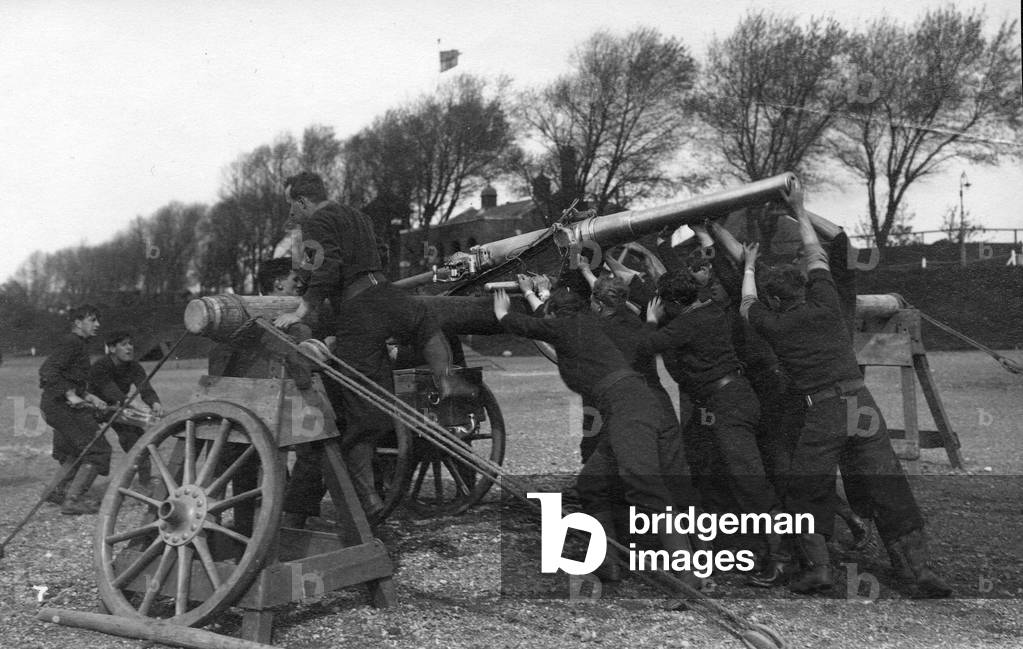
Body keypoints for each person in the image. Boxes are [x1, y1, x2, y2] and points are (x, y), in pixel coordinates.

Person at [740, 181, 951, 598]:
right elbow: (822, 250)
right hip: (862, 403)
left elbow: (747, 304)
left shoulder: (773, 323)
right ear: (805, 286)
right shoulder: (827, 300)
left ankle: (818, 570)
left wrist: (747, 265)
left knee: (807, 488)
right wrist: (798, 210)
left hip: (823, 411)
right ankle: (917, 571)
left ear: (775, 301)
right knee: (887, 482)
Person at [493, 286, 699, 586]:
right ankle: (606, 562)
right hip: (633, 405)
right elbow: (546, 321)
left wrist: (502, 312)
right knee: (592, 483)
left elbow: (527, 326)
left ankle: (688, 575)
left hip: (628, 409)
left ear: (555, 313)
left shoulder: (567, 325)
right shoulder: (590, 322)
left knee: (647, 489)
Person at [38, 305, 110, 515]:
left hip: (57, 406)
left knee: (76, 450)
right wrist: (69, 394)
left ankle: (55, 491)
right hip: (60, 407)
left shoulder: (79, 344)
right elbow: (47, 371)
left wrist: (89, 396)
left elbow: (69, 377)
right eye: (92, 320)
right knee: (97, 450)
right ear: (78, 323)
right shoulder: (72, 343)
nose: (97, 324)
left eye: (97, 320)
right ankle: (73, 500)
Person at [88, 331, 164, 495]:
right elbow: (113, 393)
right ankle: (67, 490)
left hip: (115, 409)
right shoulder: (100, 366)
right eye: (124, 344)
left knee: (136, 437)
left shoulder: (134, 366)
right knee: (85, 449)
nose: (130, 348)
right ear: (112, 349)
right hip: (91, 408)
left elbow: (145, 389)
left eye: (131, 343)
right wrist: (138, 407)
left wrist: (154, 403)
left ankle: (144, 483)